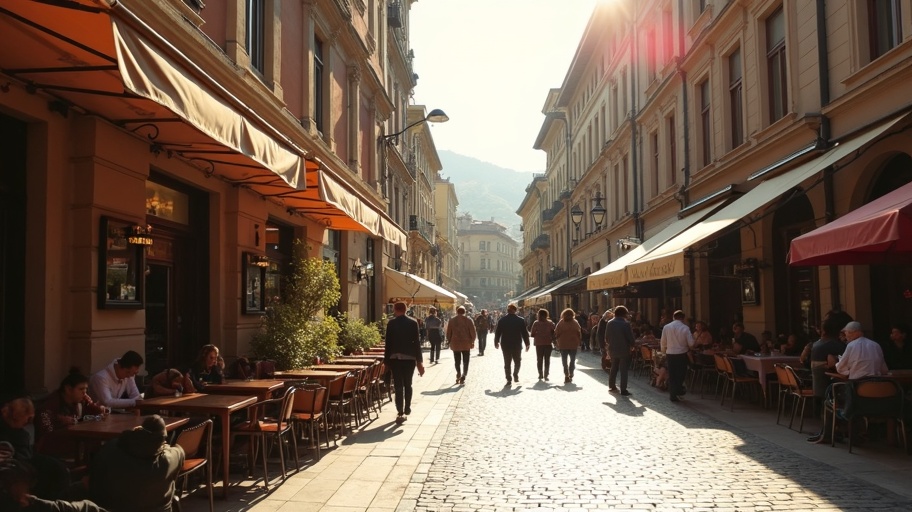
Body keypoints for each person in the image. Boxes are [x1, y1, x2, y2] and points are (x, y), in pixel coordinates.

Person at [88, 415, 184, 512]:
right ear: (161, 440)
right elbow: (179, 451)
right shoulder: (168, 459)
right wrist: (165, 447)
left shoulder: (112, 448)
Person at [1, 397, 68, 501]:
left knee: (57, 467)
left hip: (26, 457)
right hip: (15, 462)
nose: (28, 422)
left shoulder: (20, 431)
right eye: (27, 419)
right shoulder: (48, 408)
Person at [35, 369, 109, 458]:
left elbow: (95, 415)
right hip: (53, 452)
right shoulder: (49, 405)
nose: (84, 393)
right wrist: (61, 422)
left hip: (73, 444)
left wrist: (94, 406)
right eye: (81, 389)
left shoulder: (79, 402)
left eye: (86, 389)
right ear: (68, 389)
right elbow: (48, 433)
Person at [805, 310, 853, 443]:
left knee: (825, 404)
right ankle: (834, 431)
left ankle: (828, 431)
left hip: (820, 384)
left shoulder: (818, 344)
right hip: (833, 384)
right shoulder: (837, 345)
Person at [384, 302, 425, 423]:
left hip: (395, 359)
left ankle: (400, 410)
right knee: (408, 384)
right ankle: (407, 407)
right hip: (409, 358)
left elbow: (388, 344)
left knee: (398, 385)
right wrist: (419, 361)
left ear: (395, 309)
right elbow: (417, 343)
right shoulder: (413, 323)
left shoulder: (391, 323)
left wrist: (386, 362)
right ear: (406, 309)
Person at [661, 310, 695, 402]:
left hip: (670, 353)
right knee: (681, 374)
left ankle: (673, 394)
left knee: (672, 374)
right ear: (683, 318)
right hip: (681, 354)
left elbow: (663, 342)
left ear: (673, 317)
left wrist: (664, 351)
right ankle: (678, 390)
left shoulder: (666, 327)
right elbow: (691, 344)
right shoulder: (685, 328)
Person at [494, 304, 530, 387]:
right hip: (517, 344)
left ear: (507, 310)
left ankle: (509, 379)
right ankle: (515, 374)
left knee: (507, 363)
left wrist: (496, 342)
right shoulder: (520, 320)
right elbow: (525, 333)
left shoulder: (502, 320)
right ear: (515, 310)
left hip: (505, 344)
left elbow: (497, 333)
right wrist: (527, 343)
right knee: (517, 361)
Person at [605, 305, 636, 396]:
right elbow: (630, 337)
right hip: (624, 349)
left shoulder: (609, 323)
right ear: (624, 314)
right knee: (623, 370)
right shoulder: (626, 324)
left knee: (613, 367)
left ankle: (612, 385)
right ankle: (623, 389)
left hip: (613, 349)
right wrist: (633, 345)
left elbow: (606, 338)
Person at [445, 306, 476, 385]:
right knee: (466, 361)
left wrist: (449, 341)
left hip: (455, 343)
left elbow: (448, 333)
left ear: (457, 312)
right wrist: (472, 341)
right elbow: (473, 332)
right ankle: (464, 375)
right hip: (466, 343)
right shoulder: (468, 320)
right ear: (464, 312)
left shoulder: (452, 321)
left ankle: (458, 372)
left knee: (457, 360)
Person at [553, 308, 581, 384]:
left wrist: (556, 341)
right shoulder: (575, 322)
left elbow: (556, 333)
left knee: (564, 361)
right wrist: (579, 342)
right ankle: (571, 372)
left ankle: (566, 375)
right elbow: (579, 332)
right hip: (573, 344)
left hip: (563, 344)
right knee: (572, 360)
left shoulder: (561, 323)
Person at [529, 309, 556, 381]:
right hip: (548, 343)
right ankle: (546, 374)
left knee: (539, 359)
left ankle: (540, 374)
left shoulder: (536, 323)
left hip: (539, 343)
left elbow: (532, 334)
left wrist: (538, 334)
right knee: (547, 359)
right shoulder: (550, 323)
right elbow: (555, 332)